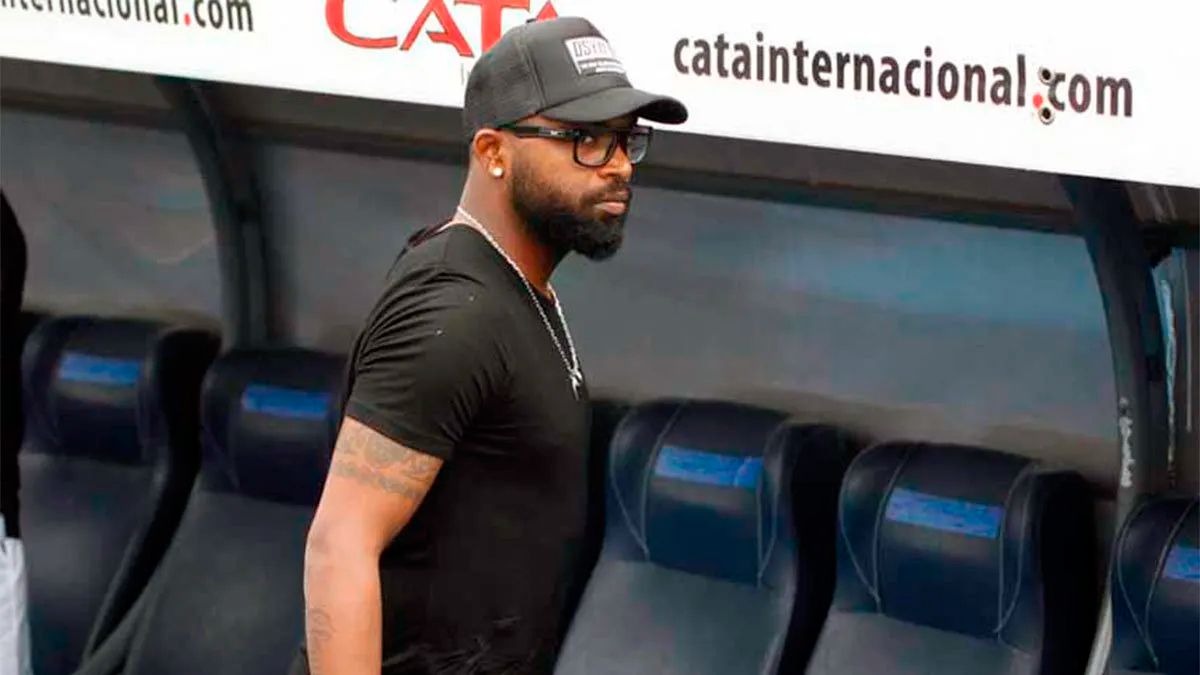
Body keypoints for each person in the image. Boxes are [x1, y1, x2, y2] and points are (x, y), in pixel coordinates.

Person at [300, 16, 687, 675]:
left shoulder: (514, 284)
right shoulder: (455, 312)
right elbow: (341, 546)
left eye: (626, 140)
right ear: (493, 152)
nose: (619, 164)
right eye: (586, 140)